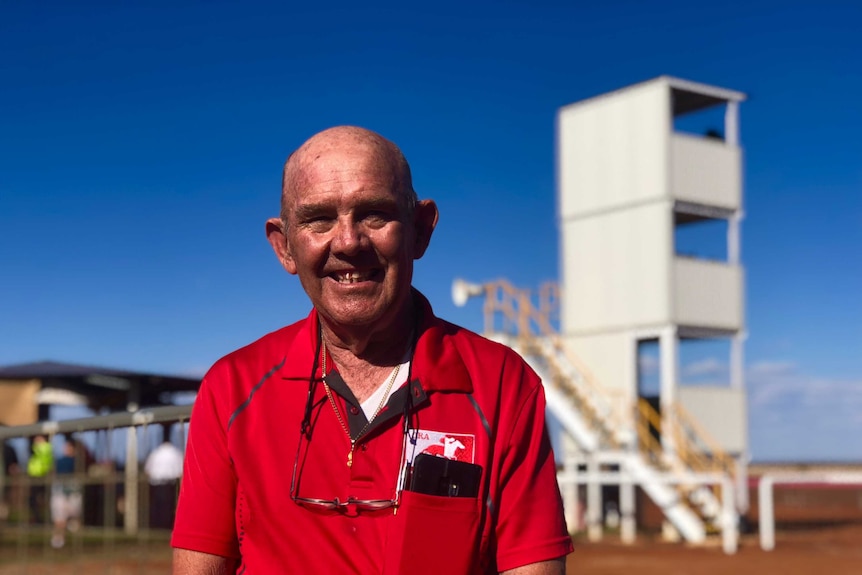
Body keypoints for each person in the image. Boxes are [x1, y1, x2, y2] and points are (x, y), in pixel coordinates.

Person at [171, 126, 573, 574]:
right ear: (284, 247)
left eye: (375, 214)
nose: (348, 242)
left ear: (420, 231)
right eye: (319, 219)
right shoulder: (232, 388)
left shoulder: (501, 385)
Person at [50, 437, 86, 548]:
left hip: (73, 493)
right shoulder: (59, 461)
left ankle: (76, 543)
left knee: (74, 518)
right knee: (59, 519)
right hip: (60, 493)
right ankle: (58, 540)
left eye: (69, 447)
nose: (66, 449)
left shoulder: (79, 462)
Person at [144, 433, 184, 529]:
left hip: (156, 484)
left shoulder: (155, 453)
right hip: (170, 485)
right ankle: (167, 528)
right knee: (169, 509)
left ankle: (157, 528)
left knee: (157, 509)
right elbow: (181, 471)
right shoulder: (176, 453)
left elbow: (147, 471)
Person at [27, 434, 53, 524]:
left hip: (42, 476)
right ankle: (38, 518)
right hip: (34, 476)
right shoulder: (35, 450)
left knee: (43, 499)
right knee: (33, 500)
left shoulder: (44, 448)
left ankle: (46, 519)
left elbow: (45, 461)